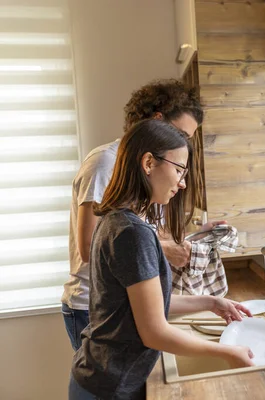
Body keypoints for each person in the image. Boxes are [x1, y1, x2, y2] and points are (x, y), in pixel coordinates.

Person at [69, 119, 254, 400]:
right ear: (148, 163)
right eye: (179, 169)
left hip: (98, 377)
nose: (182, 183)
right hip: (108, 387)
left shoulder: (115, 219)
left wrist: (211, 302)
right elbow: (154, 332)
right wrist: (227, 352)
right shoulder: (132, 232)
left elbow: (147, 306)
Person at [61, 79, 224, 351]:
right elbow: (91, 246)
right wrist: (166, 251)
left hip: (123, 298)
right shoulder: (105, 163)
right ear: (157, 120)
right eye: (182, 136)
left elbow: (144, 231)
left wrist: (198, 234)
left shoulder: (151, 172)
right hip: (92, 306)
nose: (185, 146)